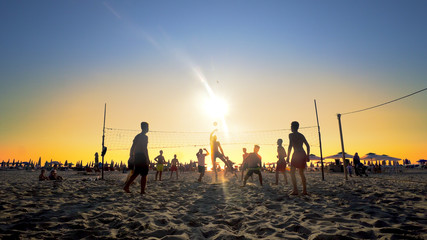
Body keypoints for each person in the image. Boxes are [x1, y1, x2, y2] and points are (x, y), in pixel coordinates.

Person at [124, 122, 150, 194]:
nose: (148, 129)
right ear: (145, 128)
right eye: (147, 127)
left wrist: (131, 155)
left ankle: (127, 186)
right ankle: (142, 191)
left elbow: (132, 146)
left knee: (136, 173)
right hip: (142, 156)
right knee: (144, 174)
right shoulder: (145, 137)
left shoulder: (137, 136)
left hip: (136, 156)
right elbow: (145, 148)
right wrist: (147, 158)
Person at [286, 121, 310, 195]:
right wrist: (307, 155)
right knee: (301, 173)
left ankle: (295, 190)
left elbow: (290, 146)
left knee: (292, 172)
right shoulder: (301, 135)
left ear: (292, 127)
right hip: (302, 153)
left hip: (296, 154)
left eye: (291, 126)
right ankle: (304, 190)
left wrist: (288, 156)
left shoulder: (291, 135)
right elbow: (308, 146)